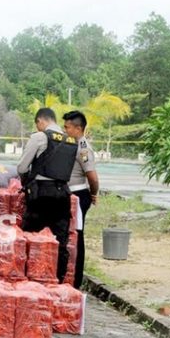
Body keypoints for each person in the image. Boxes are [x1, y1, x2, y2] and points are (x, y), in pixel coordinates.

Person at [17, 107, 78, 283]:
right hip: (63, 194)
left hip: (41, 193)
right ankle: (57, 279)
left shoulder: (39, 137)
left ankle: (28, 277)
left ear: (40, 121)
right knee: (60, 239)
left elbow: (22, 167)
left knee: (31, 236)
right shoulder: (71, 140)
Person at [63, 110, 100, 289]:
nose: (65, 130)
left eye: (67, 127)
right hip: (71, 194)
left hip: (79, 195)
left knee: (77, 237)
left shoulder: (83, 148)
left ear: (78, 128)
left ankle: (76, 280)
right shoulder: (72, 144)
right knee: (70, 235)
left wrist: (94, 193)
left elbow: (92, 176)